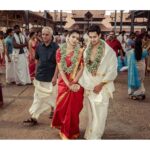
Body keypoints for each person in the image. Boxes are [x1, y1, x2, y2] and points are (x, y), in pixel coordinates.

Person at [79, 24, 118, 139]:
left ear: (100, 35)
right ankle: (90, 133)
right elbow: (86, 68)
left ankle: (96, 137)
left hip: (102, 85)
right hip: (89, 84)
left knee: (101, 113)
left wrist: (101, 85)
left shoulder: (109, 51)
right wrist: (87, 84)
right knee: (91, 113)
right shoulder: (87, 49)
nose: (92, 39)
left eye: (94, 37)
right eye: (90, 37)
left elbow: (112, 71)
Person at [51, 30, 84, 139]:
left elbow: (82, 68)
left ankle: (71, 131)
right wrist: (68, 84)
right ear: (68, 37)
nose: (75, 40)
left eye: (77, 38)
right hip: (63, 83)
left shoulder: (80, 51)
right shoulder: (60, 51)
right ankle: (63, 126)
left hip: (76, 82)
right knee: (62, 107)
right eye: (73, 37)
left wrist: (74, 82)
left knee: (73, 110)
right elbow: (60, 69)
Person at [23, 26, 59, 126]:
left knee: (53, 97)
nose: (44, 36)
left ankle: (56, 115)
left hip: (50, 77)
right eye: (43, 34)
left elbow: (58, 64)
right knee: (37, 98)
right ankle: (34, 117)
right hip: (40, 76)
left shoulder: (56, 47)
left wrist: (55, 76)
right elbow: (37, 61)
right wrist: (35, 73)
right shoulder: (39, 47)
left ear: (51, 35)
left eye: (47, 34)